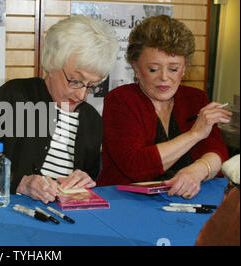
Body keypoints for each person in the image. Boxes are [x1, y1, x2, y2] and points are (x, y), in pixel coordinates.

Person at [0, 15, 119, 203]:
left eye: (92, 86)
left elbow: (84, 186)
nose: (82, 95)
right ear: (52, 63)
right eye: (75, 81)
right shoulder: (13, 99)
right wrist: (19, 184)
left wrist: (84, 182)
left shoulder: (91, 120)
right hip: (8, 217)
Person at [98, 16, 231, 199]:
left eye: (174, 69)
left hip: (189, 201)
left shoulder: (195, 98)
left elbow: (217, 152)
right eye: (153, 69)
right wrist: (194, 134)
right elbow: (136, 166)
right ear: (136, 67)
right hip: (127, 204)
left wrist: (197, 171)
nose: (164, 78)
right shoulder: (120, 100)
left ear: (184, 68)